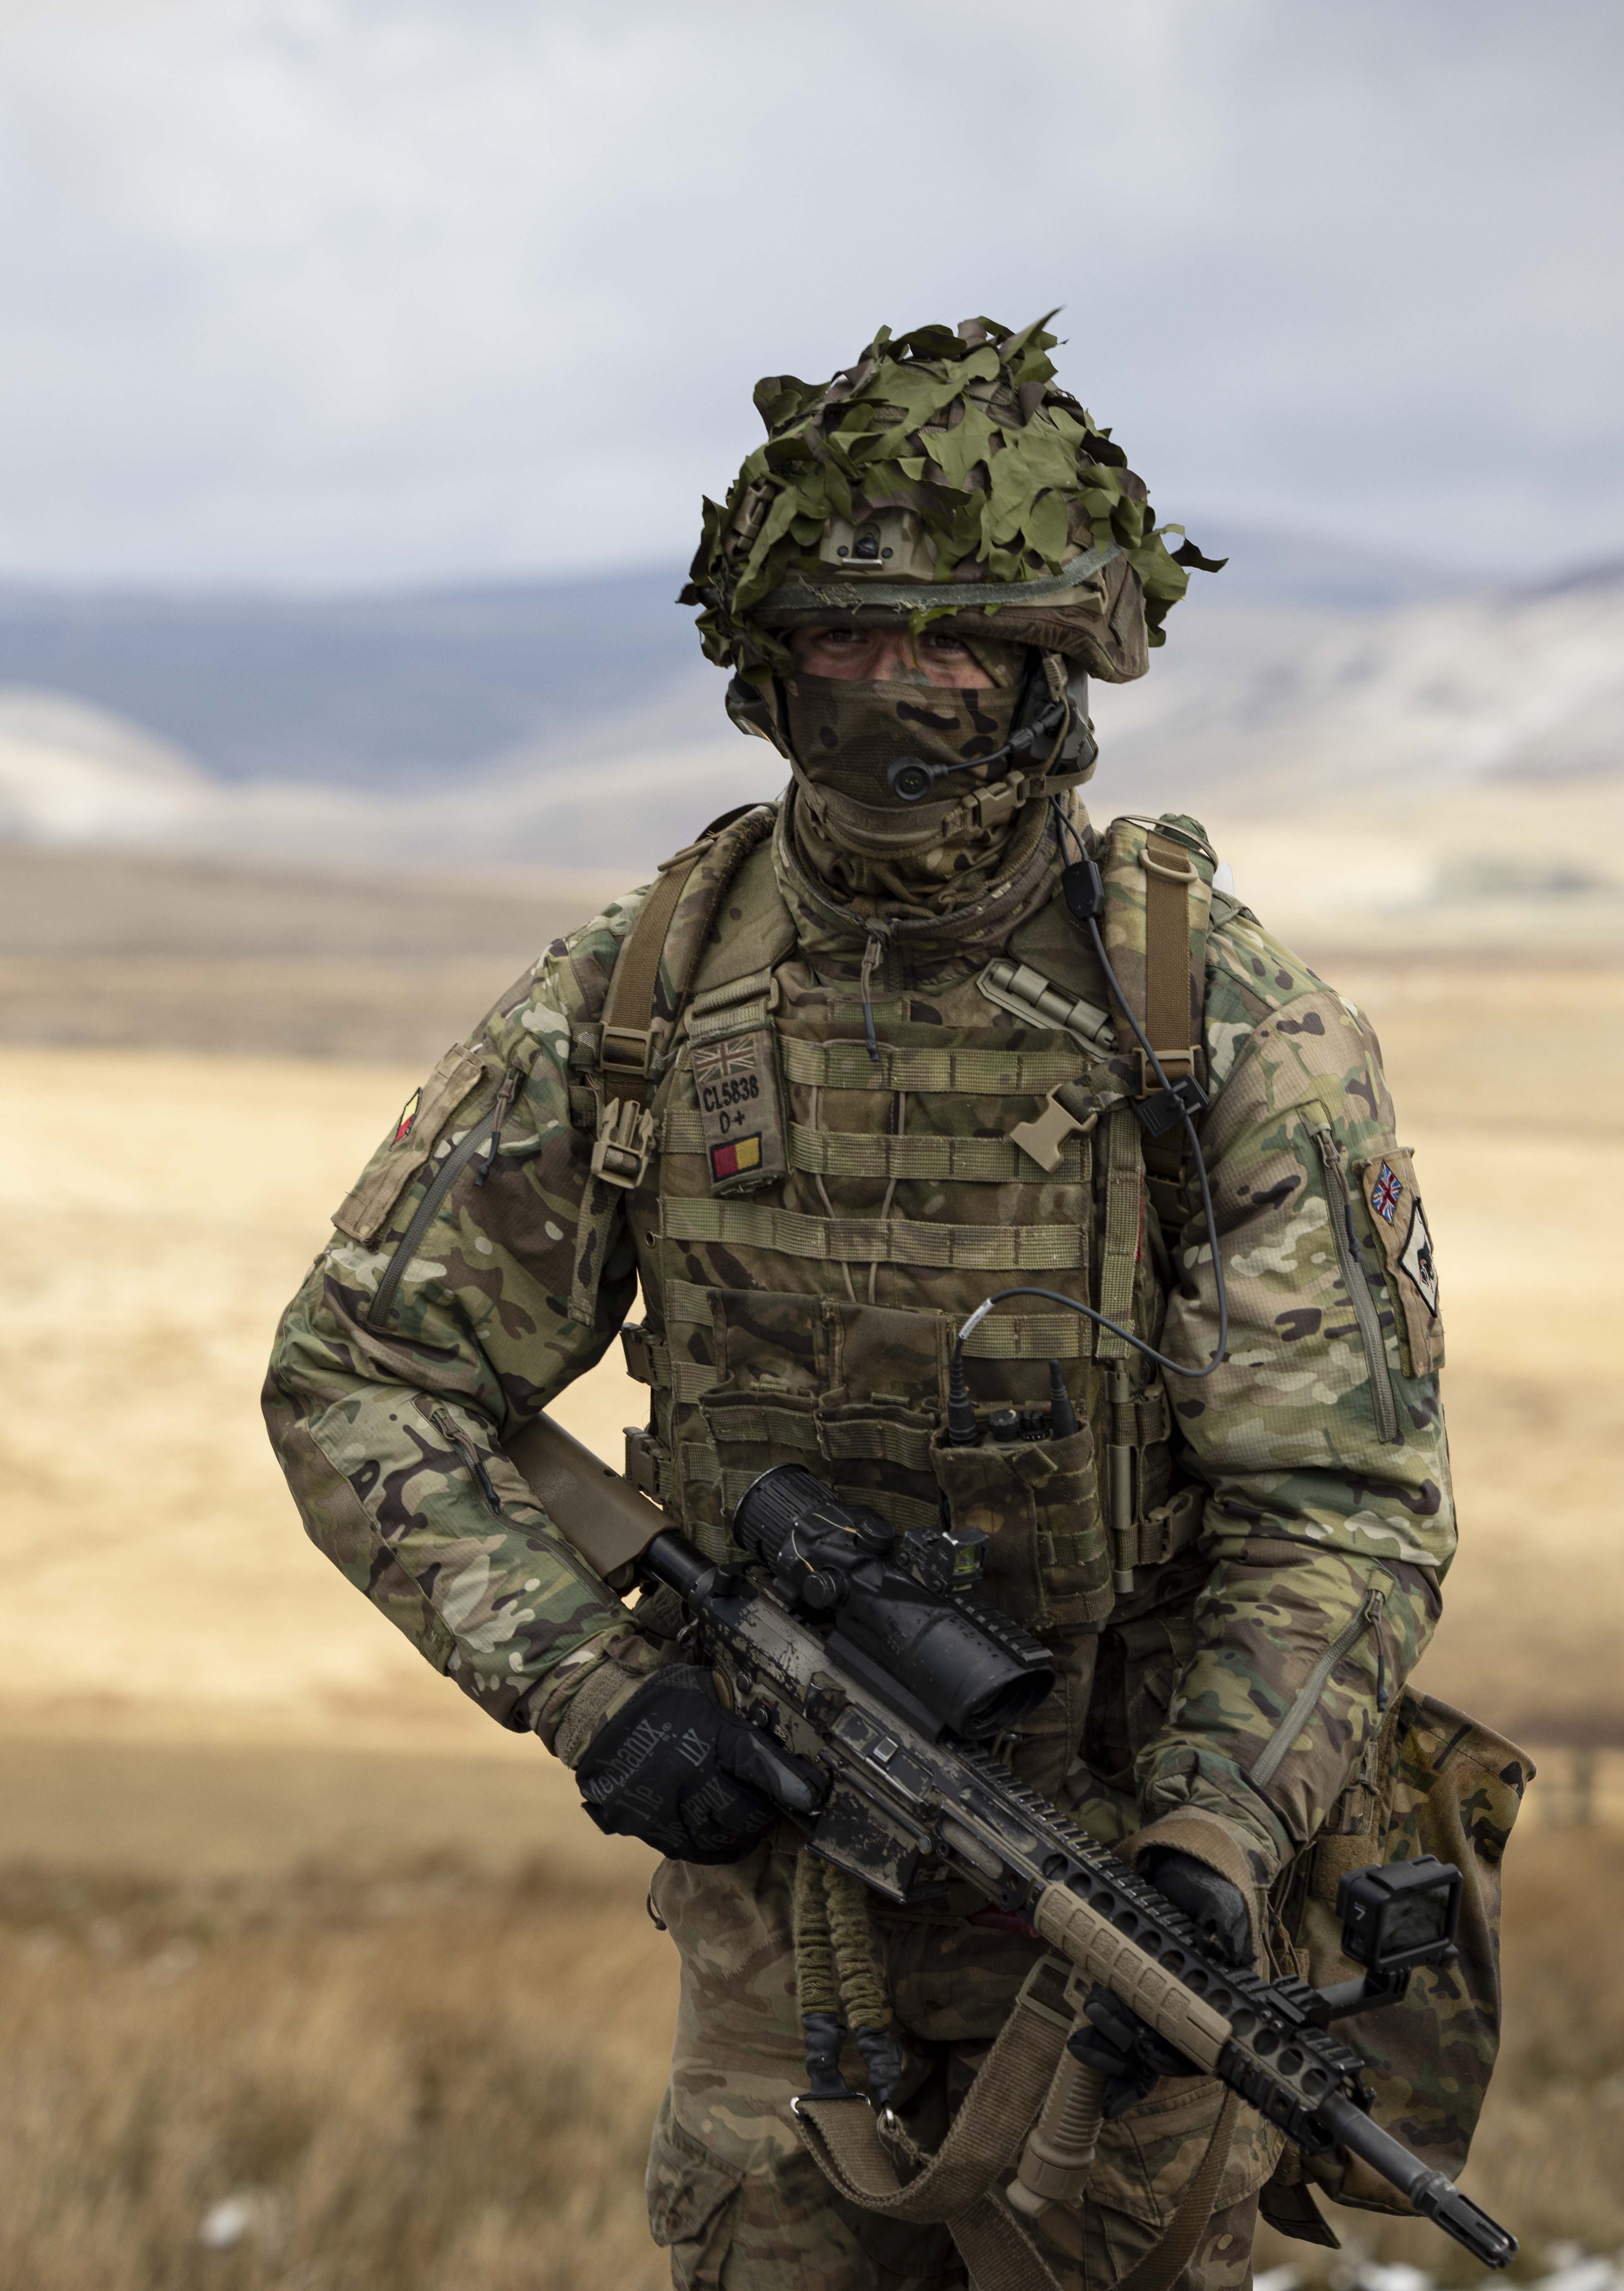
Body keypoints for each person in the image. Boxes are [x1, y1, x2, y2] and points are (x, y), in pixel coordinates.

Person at [259, 317, 1457, 2291]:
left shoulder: (1220, 1029)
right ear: (766, 661)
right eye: (847, 641)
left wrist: (1210, 1833)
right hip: (779, 1946)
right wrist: (597, 1688)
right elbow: (359, 1375)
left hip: (1126, 1949)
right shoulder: (641, 999)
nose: (898, 694)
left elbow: (1340, 1507)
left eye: (954, 648)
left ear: (1052, 669)